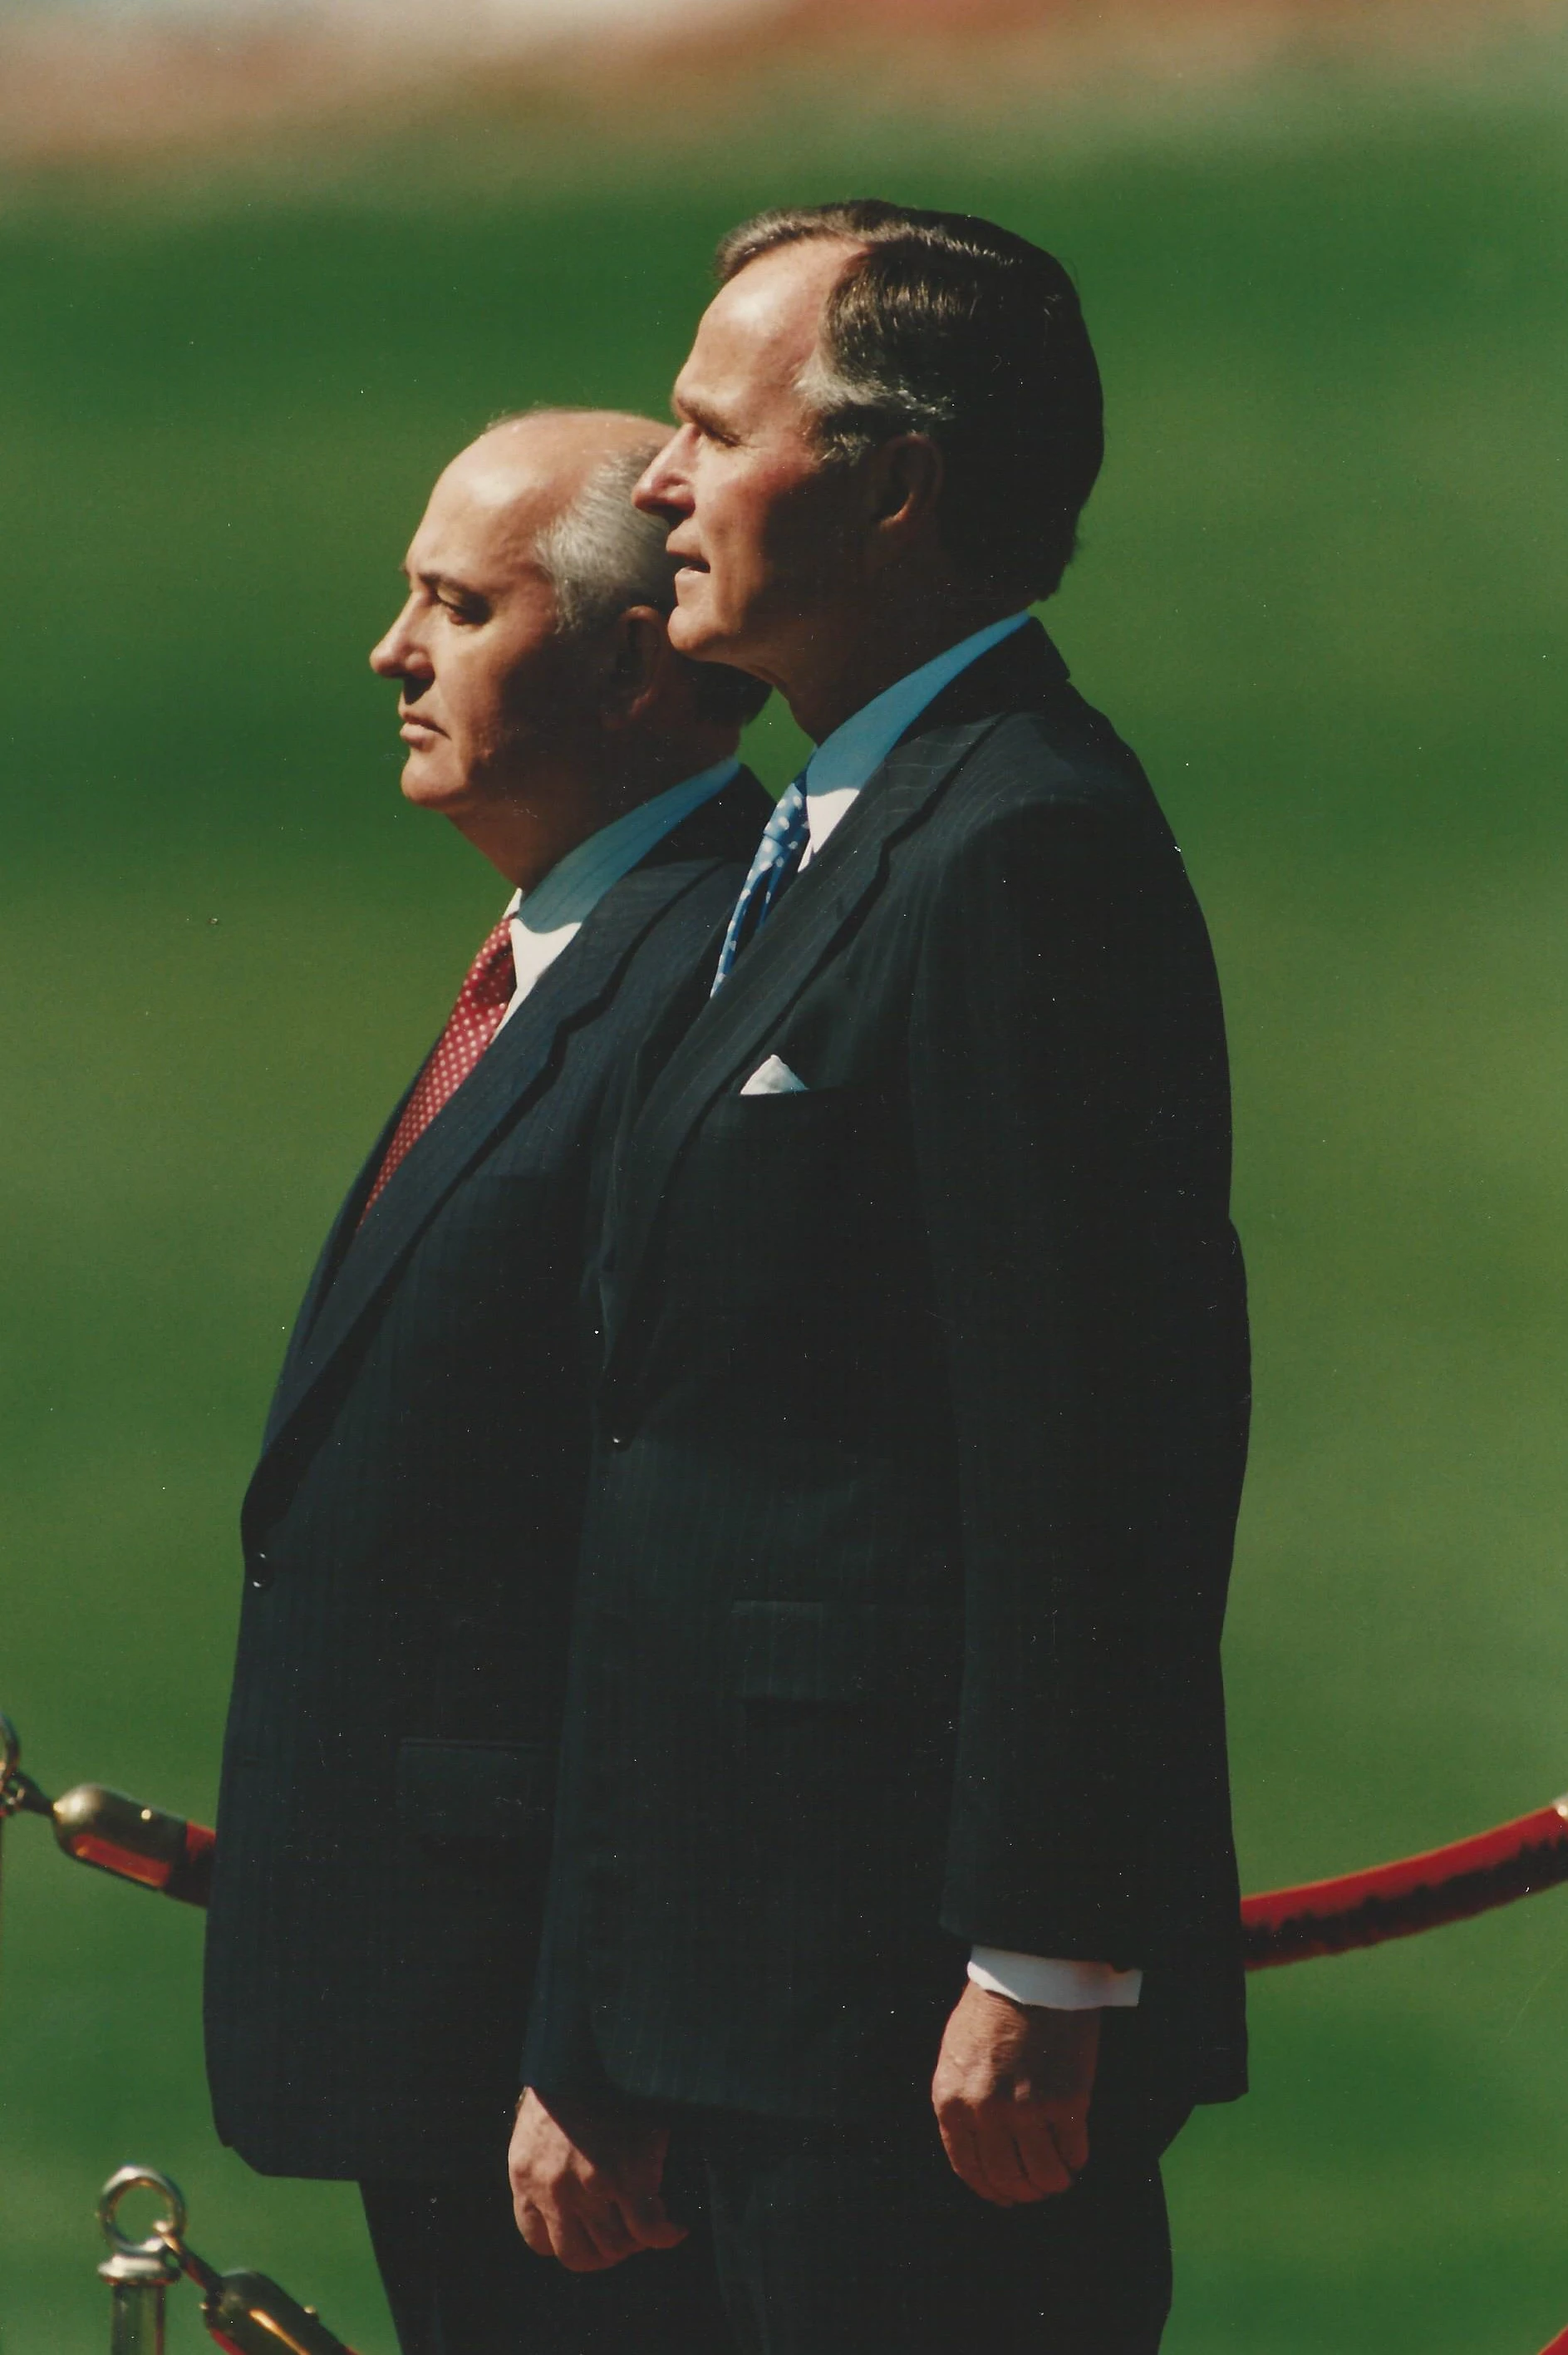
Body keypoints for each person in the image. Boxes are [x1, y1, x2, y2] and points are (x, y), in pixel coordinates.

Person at [510, 205, 1251, 2351]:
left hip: (920, 2042)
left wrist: (1041, 1957)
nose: (653, 484)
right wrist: (605, 2005)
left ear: (896, 486)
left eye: (708, 430)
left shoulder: (1016, 847)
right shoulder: (825, 827)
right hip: (738, 2005)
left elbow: (1097, 1434)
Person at [203, 406, 769, 2355]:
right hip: (453, 2023)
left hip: (567, 2081)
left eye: (455, 604)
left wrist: (599, 2037)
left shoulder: (712, 970)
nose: (392, 650)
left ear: (628, 669)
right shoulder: (565, 946)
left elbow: (685, 1556)